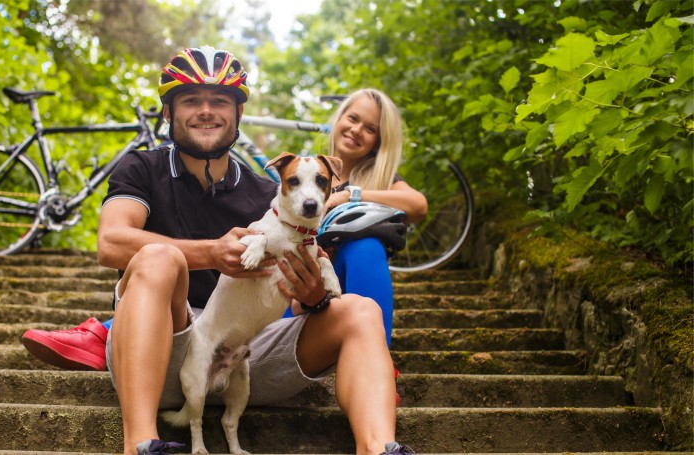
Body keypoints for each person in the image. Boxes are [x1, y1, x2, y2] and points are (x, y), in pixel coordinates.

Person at [24, 46, 413, 455]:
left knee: (361, 310)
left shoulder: (275, 194)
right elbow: (111, 243)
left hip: (252, 348)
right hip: (166, 345)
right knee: (160, 257)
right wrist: (211, 253)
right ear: (168, 114)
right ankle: (139, 444)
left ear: (238, 115)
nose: (206, 110)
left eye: (219, 101)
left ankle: (378, 448)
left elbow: (296, 307)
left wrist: (313, 296)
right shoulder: (142, 168)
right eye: (191, 100)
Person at [282, 88, 427, 348]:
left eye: (370, 129)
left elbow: (418, 205)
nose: (357, 130)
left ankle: (377, 365)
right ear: (338, 119)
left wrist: (351, 195)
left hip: (344, 301)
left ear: (378, 143)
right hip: (293, 302)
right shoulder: (303, 174)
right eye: (352, 118)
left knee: (366, 247)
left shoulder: (380, 183)